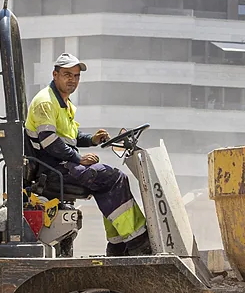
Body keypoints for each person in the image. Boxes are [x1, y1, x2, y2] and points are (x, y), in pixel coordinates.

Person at [25, 53, 151, 256]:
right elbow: (49, 142)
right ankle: (138, 242)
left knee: (106, 184)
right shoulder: (46, 102)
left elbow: (69, 138)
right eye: (67, 74)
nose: (72, 80)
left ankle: (118, 245)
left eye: (75, 76)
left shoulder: (63, 103)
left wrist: (91, 139)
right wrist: (78, 158)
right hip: (54, 169)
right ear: (55, 74)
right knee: (114, 178)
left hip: (60, 165)